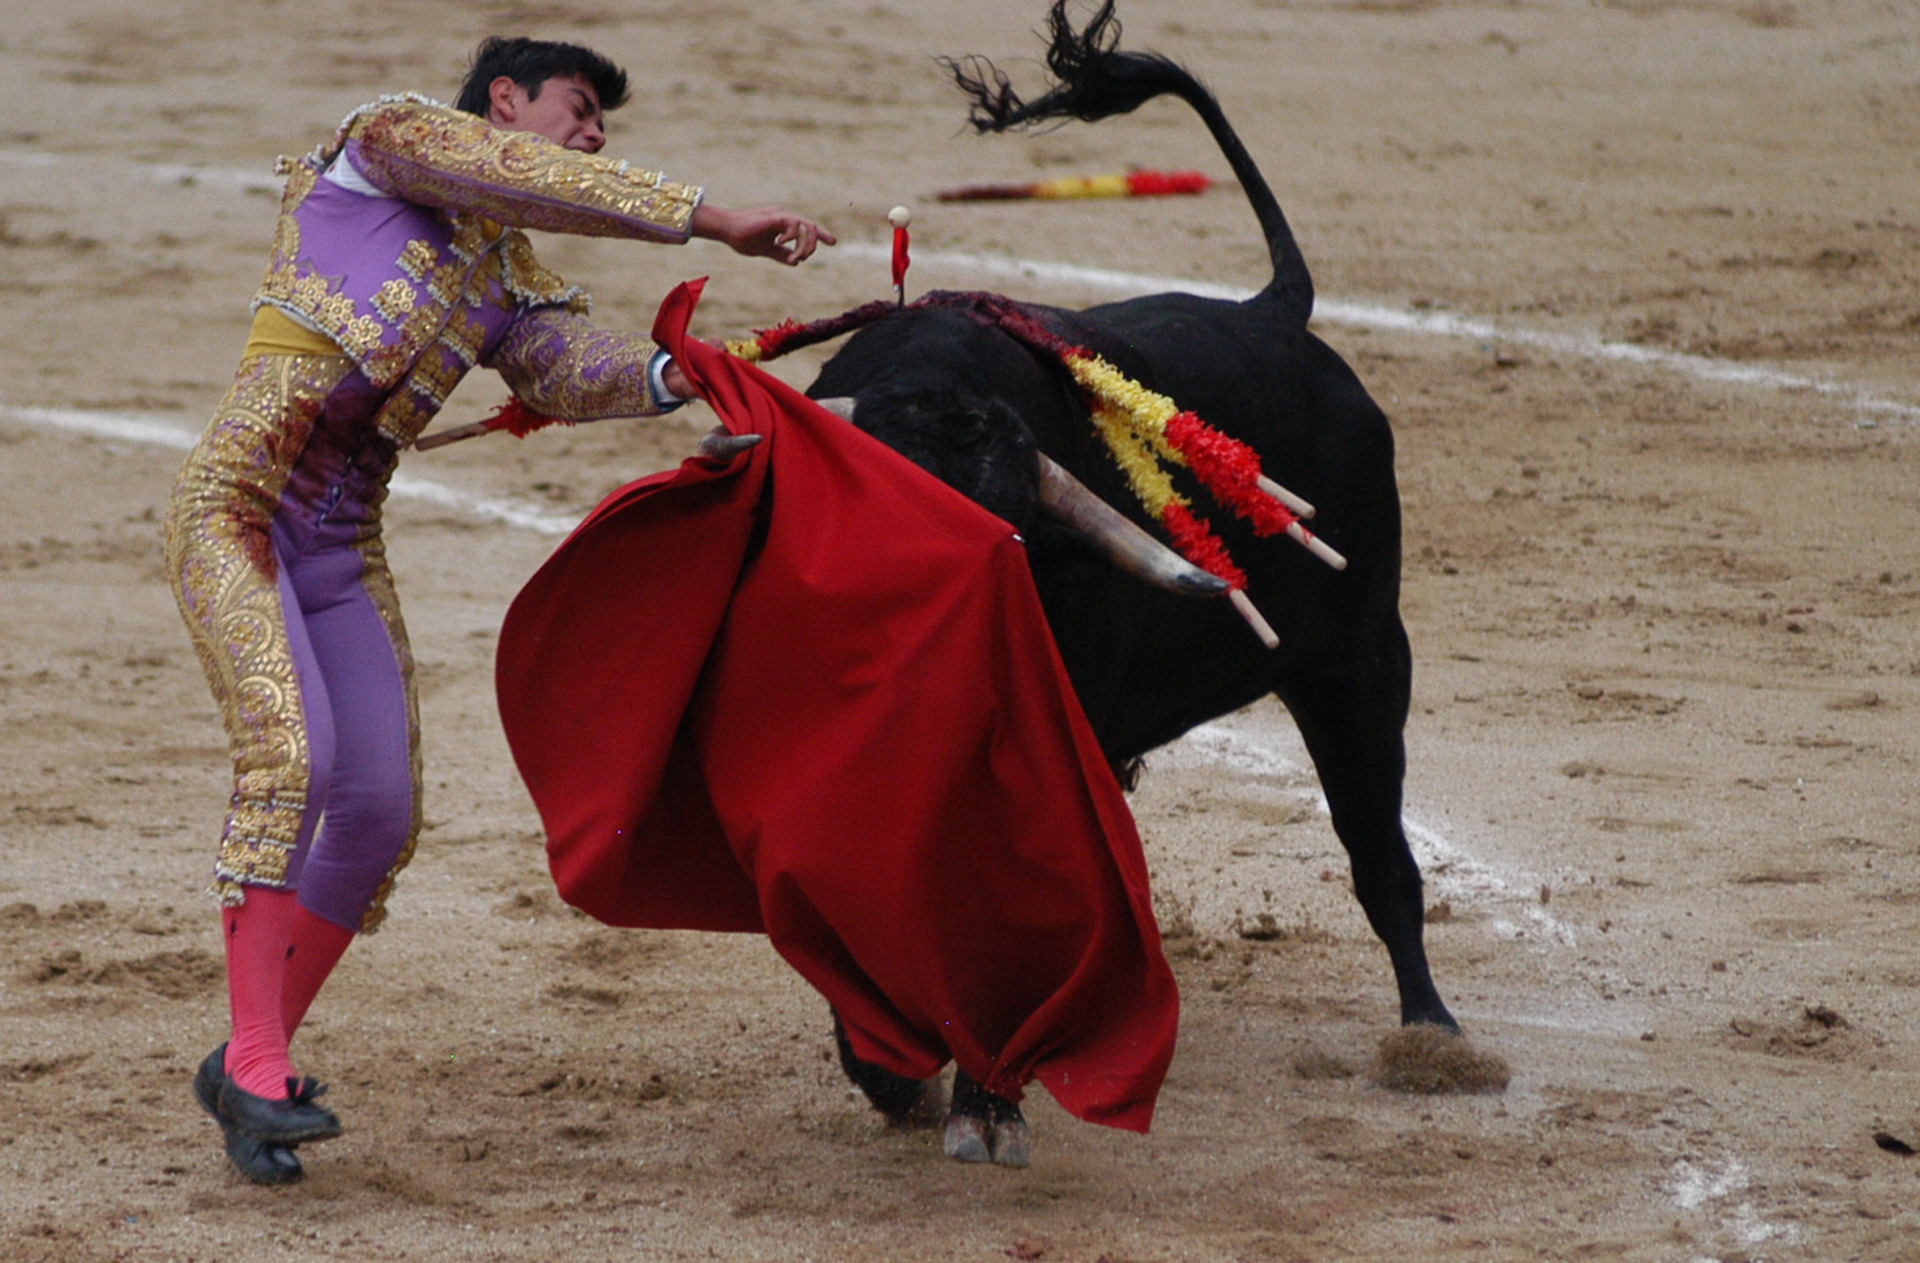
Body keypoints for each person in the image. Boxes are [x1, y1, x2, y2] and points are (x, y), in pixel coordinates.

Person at [164, 35, 834, 1185]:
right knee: (295, 761)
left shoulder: (503, 268)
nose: (595, 135)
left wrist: (685, 377)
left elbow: (562, 366)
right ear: (506, 99)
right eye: (580, 108)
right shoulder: (389, 139)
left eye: (603, 123)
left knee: (376, 811)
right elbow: (546, 182)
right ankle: (261, 1062)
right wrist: (710, 216)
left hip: (332, 547)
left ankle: (245, 1069)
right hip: (238, 512)